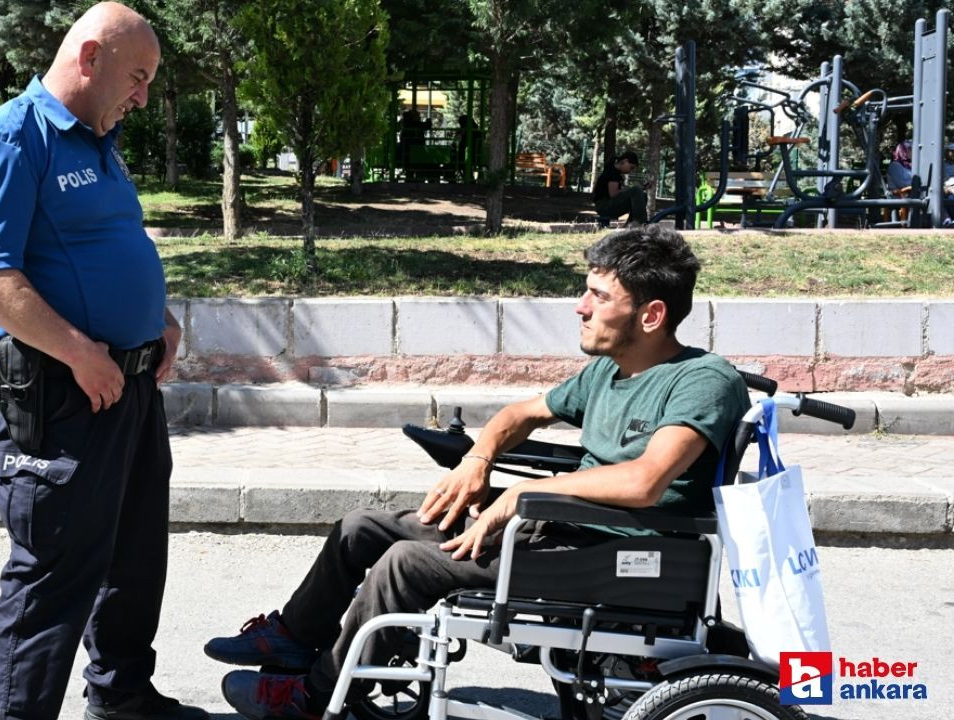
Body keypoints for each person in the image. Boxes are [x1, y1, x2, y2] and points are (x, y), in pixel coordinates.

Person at [205, 225, 750, 720]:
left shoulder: (703, 380)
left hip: (618, 554)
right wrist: (478, 460)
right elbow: (519, 415)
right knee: (362, 527)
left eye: (600, 297)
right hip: (561, 530)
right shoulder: (609, 370)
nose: (581, 307)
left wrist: (527, 493)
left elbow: (644, 480)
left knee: (405, 565)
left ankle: (316, 697)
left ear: (651, 315)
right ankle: (294, 639)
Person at [0, 4, 201, 720]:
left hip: (128, 385)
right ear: (90, 58)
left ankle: (120, 697)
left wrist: (159, 320)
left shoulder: (100, 141)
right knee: (52, 575)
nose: (143, 96)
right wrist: (81, 354)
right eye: (138, 77)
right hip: (62, 396)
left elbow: (105, 242)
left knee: (133, 553)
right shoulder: (9, 140)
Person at [592, 151, 648, 226]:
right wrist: (634, 190)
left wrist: (642, 188)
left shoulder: (616, 173)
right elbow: (613, 193)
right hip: (603, 206)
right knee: (636, 190)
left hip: (606, 205)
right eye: (631, 168)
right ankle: (641, 223)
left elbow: (621, 191)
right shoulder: (612, 172)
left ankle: (632, 224)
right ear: (625, 161)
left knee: (642, 195)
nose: (630, 171)